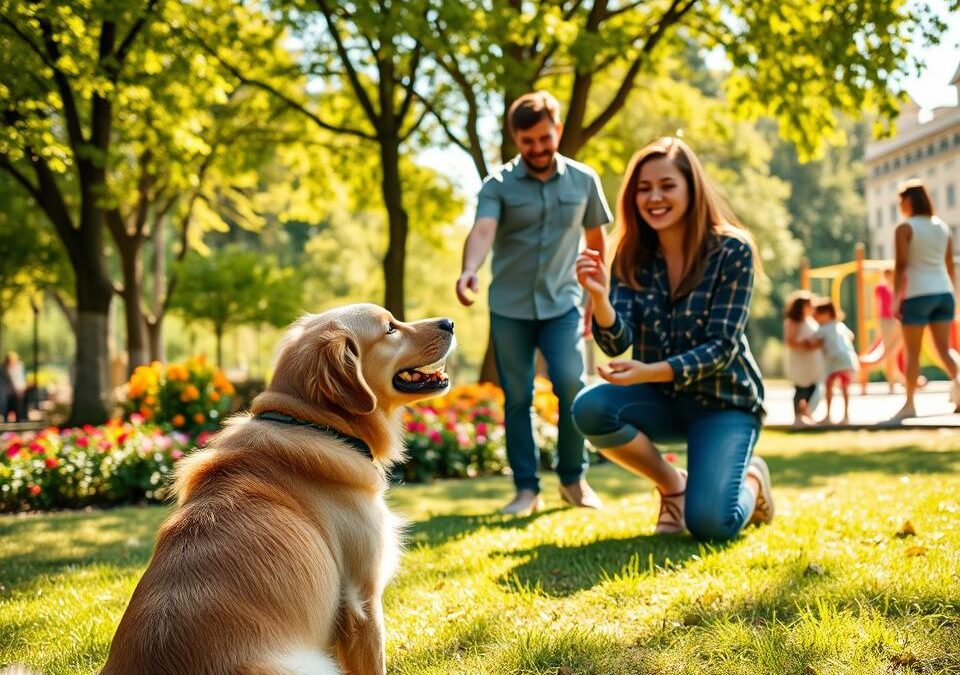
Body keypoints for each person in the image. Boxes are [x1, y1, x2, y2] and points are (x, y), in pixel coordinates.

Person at [570, 137, 772, 541]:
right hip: (663, 400)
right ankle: (672, 485)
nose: (654, 197)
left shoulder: (732, 251)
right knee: (590, 407)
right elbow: (616, 342)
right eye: (644, 188)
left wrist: (649, 371)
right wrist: (600, 298)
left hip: (724, 401)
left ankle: (754, 480)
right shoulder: (631, 254)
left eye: (667, 186)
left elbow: (722, 347)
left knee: (711, 524)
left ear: (691, 189)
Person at [455, 91, 613, 515]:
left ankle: (573, 480)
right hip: (510, 308)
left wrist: (597, 297)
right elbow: (483, 230)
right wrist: (469, 269)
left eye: (545, 138)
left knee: (572, 384)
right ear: (515, 139)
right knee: (517, 397)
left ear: (557, 130)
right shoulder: (498, 185)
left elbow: (597, 242)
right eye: (528, 142)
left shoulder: (584, 180)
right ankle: (526, 489)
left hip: (563, 304)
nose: (539, 148)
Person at [888, 179, 960, 422]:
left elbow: (901, 266)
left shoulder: (905, 228)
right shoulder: (942, 227)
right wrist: (954, 294)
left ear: (908, 201)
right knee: (945, 350)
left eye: (900, 201)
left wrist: (896, 298)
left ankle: (909, 405)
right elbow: (949, 266)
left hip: (917, 294)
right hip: (944, 293)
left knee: (913, 352)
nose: (900, 206)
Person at [812, 299, 859, 425]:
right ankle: (846, 415)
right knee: (844, 387)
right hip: (847, 359)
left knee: (829, 386)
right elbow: (851, 335)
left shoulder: (822, 329)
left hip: (833, 360)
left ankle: (828, 415)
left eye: (817, 316)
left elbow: (816, 343)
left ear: (826, 314)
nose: (816, 319)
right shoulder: (840, 325)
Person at [782, 290, 825, 425]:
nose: (812, 308)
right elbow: (790, 342)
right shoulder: (792, 322)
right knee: (801, 389)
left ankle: (806, 413)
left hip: (812, 362)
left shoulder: (811, 321)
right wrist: (806, 345)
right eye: (809, 306)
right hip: (800, 361)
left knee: (813, 387)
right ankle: (798, 416)